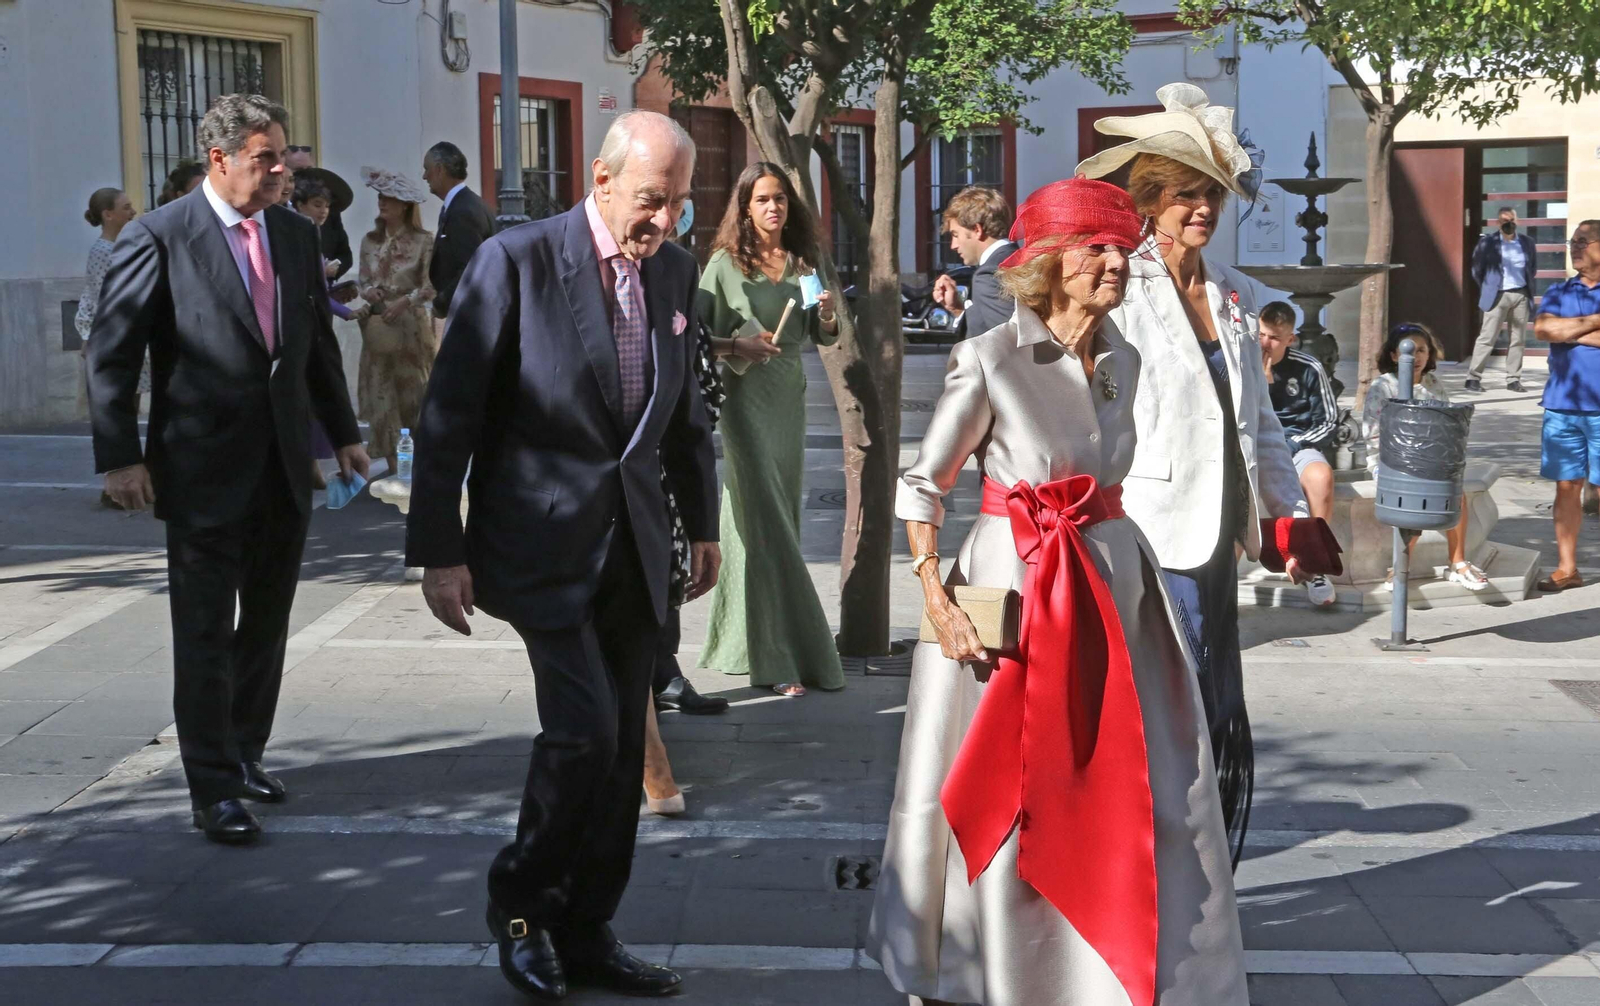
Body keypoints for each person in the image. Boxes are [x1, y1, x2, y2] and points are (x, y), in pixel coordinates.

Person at [867, 177, 1247, 1006]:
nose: (1115, 263)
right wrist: (935, 596)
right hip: (1010, 587)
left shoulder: (1124, 358)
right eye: (1095, 248)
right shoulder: (989, 357)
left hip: (1115, 581)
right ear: (1047, 262)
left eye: (1120, 248)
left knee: (1144, 774)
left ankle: (1126, 967)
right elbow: (923, 487)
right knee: (1012, 779)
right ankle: (988, 964)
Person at [406, 109, 718, 1001]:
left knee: (621, 755)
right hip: (539, 543)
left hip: (635, 546)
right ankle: (521, 909)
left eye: (679, 202)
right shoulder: (517, 261)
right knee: (585, 732)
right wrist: (438, 551)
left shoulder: (675, 271)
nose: (664, 219)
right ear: (602, 179)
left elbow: (685, 416)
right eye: (651, 199)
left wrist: (702, 526)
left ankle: (587, 928)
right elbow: (450, 414)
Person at [85, 94, 367, 844]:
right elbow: (112, 354)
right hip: (202, 467)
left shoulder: (295, 234)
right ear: (219, 159)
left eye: (281, 157)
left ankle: (245, 754)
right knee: (206, 631)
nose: (280, 172)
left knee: (267, 624)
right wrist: (120, 458)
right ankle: (211, 787)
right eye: (264, 159)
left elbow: (313, 345)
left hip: (282, 465)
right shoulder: (159, 236)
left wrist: (343, 434)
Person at [1077, 82, 1309, 865]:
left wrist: (1289, 514)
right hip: (1147, 527)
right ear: (1151, 201)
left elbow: (1258, 420)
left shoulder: (1237, 294)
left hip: (1217, 532)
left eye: (1211, 194)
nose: (1203, 208)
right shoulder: (1122, 285)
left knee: (1209, 690)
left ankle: (1188, 848)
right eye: (1185, 194)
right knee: (1165, 689)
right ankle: (1144, 845)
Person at [698, 162, 844, 697]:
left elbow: (824, 335)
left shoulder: (803, 264)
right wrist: (737, 345)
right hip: (744, 401)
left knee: (762, 519)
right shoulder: (724, 265)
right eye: (761, 199)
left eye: (779, 198)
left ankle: (738, 643)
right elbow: (692, 337)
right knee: (768, 521)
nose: (773, 207)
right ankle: (781, 654)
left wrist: (826, 313)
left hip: (788, 399)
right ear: (744, 208)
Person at [1362, 323, 1487, 592]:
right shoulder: (1383, 386)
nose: (1416, 356)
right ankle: (1399, 567)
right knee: (1414, 495)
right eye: (1409, 350)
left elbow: (1444, 423)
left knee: (1457, 493)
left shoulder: (1433, 385)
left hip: (1431, 459)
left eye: (1421, 350)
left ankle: (1457, 561)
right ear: (1394, 355)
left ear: (1429, 354)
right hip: (1390, 462)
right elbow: (1371, 433)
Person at [1532, 219, 1600, 592]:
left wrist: (1569, 331)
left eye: (1583, 241)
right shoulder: (1558, 290)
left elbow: (1558, 331)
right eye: (1572, 241)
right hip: (1562, 406)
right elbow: (1543, 329)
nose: (1574, 247)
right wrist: (1593, 323)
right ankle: (1568, 568)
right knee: (1566, 486)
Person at [355, 166, 436, 477]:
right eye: (380, 197)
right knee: (381, 395)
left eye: (389, 198)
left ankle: (416, 466)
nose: (382, 202)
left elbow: (431, 284)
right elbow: (363, 280)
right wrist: (369, 292)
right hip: (379, 326)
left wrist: (406, 301)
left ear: (404, 205)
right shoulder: (370, 240)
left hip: (410, 327)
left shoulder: (423, 241)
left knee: (413, 395)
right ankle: (395, 469)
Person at [1258, 300, 1340, 607]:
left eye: (1274, 338)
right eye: (1262, 334)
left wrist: (1293, 444)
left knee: (1321, 477)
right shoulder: (1241, 364)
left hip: (1297, 443)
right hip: (1252, 445)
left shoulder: (1308, 367)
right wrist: (1261, 382)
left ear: (1290, 339)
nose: (1266, 343)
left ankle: (1315, 566)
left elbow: (1328, 421)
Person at [422, 140, 496, 326]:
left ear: (439, 169)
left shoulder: (463, 210)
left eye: (427, 169)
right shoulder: (464, 204)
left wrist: (441, 303)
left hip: (471, 316)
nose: (424, 176)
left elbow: (471, 268)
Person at [930, 185, 1017, 339]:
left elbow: (1012, 339)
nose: (953, 245)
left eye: (955, 235)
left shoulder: (989, 274)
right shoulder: (1019, 258)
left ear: (977, 230)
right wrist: (957, 309)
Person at [1467, 207, 1537, 393]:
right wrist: (1489, 286)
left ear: (1517, 220)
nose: (1508, 224)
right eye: (1504, 221)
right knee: (1487, 337)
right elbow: (1476, 269)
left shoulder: (1527, 242)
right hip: (1497, 295)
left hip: (1521, 294)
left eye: (1511, 220)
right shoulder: (1487, 243)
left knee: (1518, 340)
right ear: (1498, 223)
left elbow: (1532, 268)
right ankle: (1473, 378)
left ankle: (1513, 379)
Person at [285, 145, 354, 278]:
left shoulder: (330, 214)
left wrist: (335, 269)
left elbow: (345, 255)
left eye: (309, 170)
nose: (306, 177)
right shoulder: (278, 213)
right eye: (298, 172)